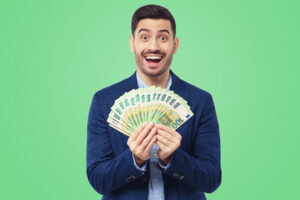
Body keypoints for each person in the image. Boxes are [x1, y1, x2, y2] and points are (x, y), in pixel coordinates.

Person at [86, 4, 221, 200]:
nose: (154, 47)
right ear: (132, 44)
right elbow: (98, 179)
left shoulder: (201, 101)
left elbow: (212, 179)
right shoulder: (103, 101)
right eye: (144, 37)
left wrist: (173, 159)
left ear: (175, 45)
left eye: (163, 37)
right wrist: (135, 159)